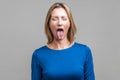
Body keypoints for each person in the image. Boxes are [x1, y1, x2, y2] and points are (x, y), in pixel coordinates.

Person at [31, 2, 95, 80]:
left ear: (70, 23)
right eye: (54, 19)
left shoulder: (84, 51)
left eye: (64, 18)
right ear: (49, 24)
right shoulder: (38, 55)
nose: (60, 23)